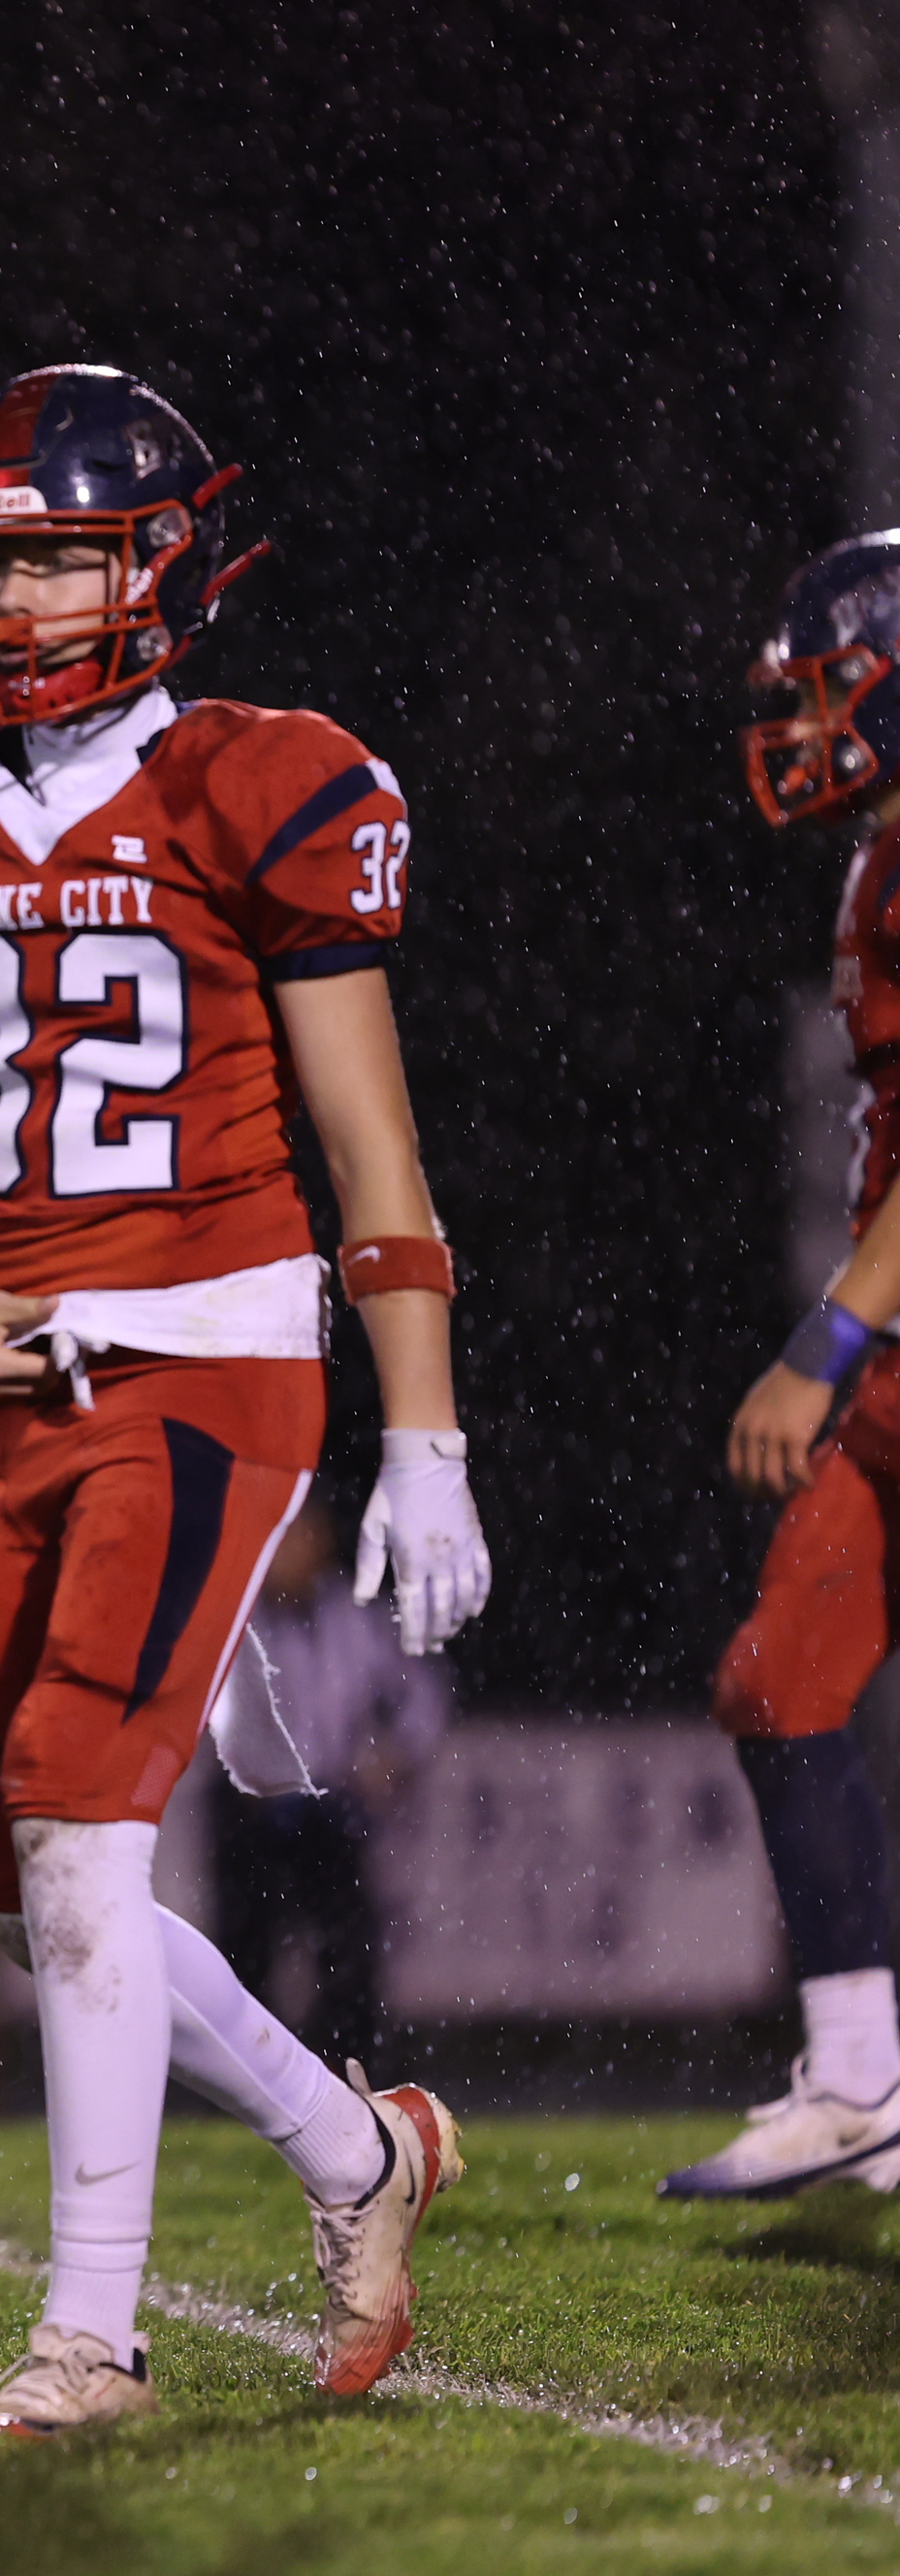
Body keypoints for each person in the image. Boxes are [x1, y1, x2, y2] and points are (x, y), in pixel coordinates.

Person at [0, 365, 492, 2434]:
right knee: (29, 1889)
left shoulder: (260, 780)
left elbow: (371, 1147)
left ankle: (88, 2333)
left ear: (164, 567)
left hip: (213, 1354)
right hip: (6, 1383)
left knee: (82, 1822)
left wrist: (423, 1433)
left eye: (59, 559)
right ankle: (357, 2147)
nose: (13, 601)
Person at [669, 531, 900, 2199]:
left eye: (829, 689)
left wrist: (823, 1339)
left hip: (878, 1342)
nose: (801, 723)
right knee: (779, 1678)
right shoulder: (873, 862)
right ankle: (859, 2078)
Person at [203, 1501, 447, 2077]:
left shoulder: (356, 1619)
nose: (291, 1554)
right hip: (252, 1812)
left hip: (330, 1807)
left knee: (349, 1954)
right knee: (243, 1958)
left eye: (303, 1537)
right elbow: (199, 1707)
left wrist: (396, 1754)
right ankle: (242, 2079)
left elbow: (425, 1694)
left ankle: (347, 2076)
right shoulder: (233, 1619)